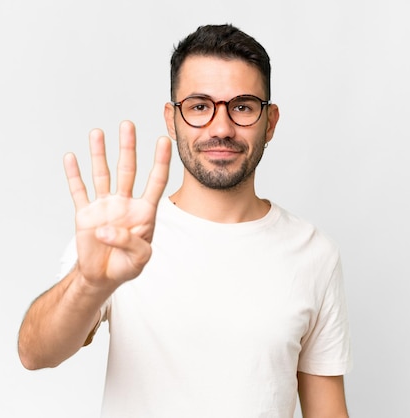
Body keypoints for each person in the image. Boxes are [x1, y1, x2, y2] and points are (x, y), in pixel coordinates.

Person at [18, 24, 352, 417]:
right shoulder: (124, 236)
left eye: (243, 106)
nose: (222, 128)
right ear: (172, 119)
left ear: (271, 121)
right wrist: (89, 282)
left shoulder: (314, 254)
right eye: (199, 106)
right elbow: (35, 353)